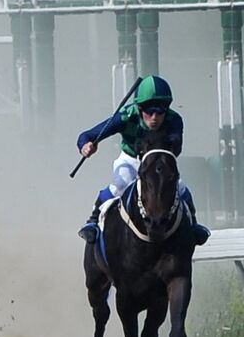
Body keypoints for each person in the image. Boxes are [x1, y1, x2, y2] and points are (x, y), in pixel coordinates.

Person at [75, 75, 210, 245]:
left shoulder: (175, 120)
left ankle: (194, 226)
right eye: (149, 111)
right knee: (121, 182)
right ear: (139, 109)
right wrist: (85, 146)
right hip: (130, 159)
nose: (154, 117)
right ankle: (93, 222)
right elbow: (87, 135)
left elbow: (177, 146)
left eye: (160, 111)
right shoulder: (126, 116)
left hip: (159, 161)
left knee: (180, 187)